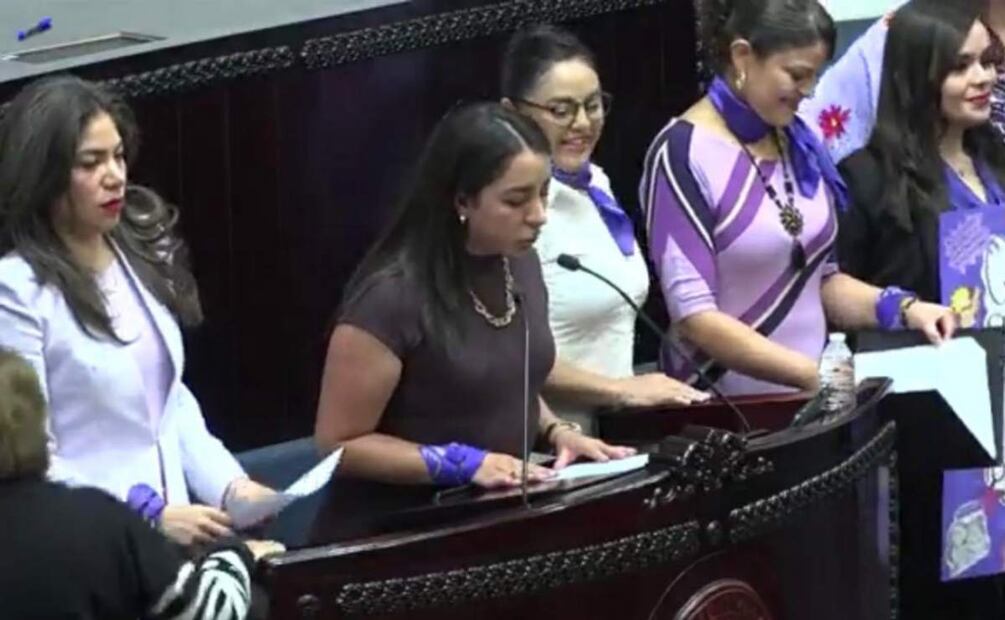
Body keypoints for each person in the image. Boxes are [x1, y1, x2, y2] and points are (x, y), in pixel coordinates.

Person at [313, 102, 634, 535]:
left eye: (543, 192)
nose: (539, 215)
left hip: (492, 518)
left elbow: (501, 382)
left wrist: (557, 432)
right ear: (461, 200)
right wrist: (461, 463)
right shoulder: (390, 297)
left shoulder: (521, 264)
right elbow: (337, 444)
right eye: (516, 200)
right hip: (396, 535)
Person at [0, 76, 275, 548]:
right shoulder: (16, 290)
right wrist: (147, 515)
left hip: (175, 543)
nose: (115, 176)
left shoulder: (139, 248)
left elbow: (167, 404)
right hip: (90, 547)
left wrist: (231, 487)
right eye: (91, 163)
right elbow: (32, 458)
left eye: (119, 156)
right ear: (45, 174)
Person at [640, 0, 955, 397]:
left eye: (816, 75)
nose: (809, 91)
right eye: (797, 75)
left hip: (812, 399)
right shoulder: (682, 152)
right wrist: (816, 375)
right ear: (742, 56)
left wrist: (904, 309)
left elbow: (821, 281)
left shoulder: (797, 140)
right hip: (724, 408)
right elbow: (695, 317)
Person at [500, 24, 708, 433]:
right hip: (543, 442)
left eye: (593, 105)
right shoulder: (513, 214)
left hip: (614, 432)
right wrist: (621, 390)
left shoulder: (596, 182)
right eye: (561, 110)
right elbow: (508, 358)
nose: (582, 123)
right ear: (513, 112)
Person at [0, 346, 284, 619]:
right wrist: (233, 552)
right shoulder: (97, 524)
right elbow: (212, 613)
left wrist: (232, 486)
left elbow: (169, 401)